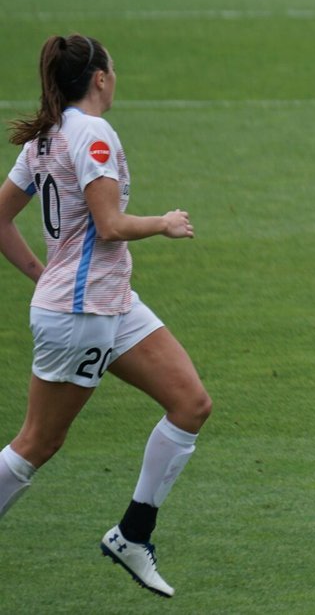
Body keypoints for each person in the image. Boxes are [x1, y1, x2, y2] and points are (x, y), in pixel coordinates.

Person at [0, 34, 210, 599]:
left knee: (191, 403)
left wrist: (43, 274)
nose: (115, 78)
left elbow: (1, 218)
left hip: (110, 302)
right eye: (112, 70)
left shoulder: (46, 137)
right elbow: (110, 224)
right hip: (81, 311)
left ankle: (133, 534)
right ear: (99, 77)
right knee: (38, 442)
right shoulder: (91, 133)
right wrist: (163, 222)